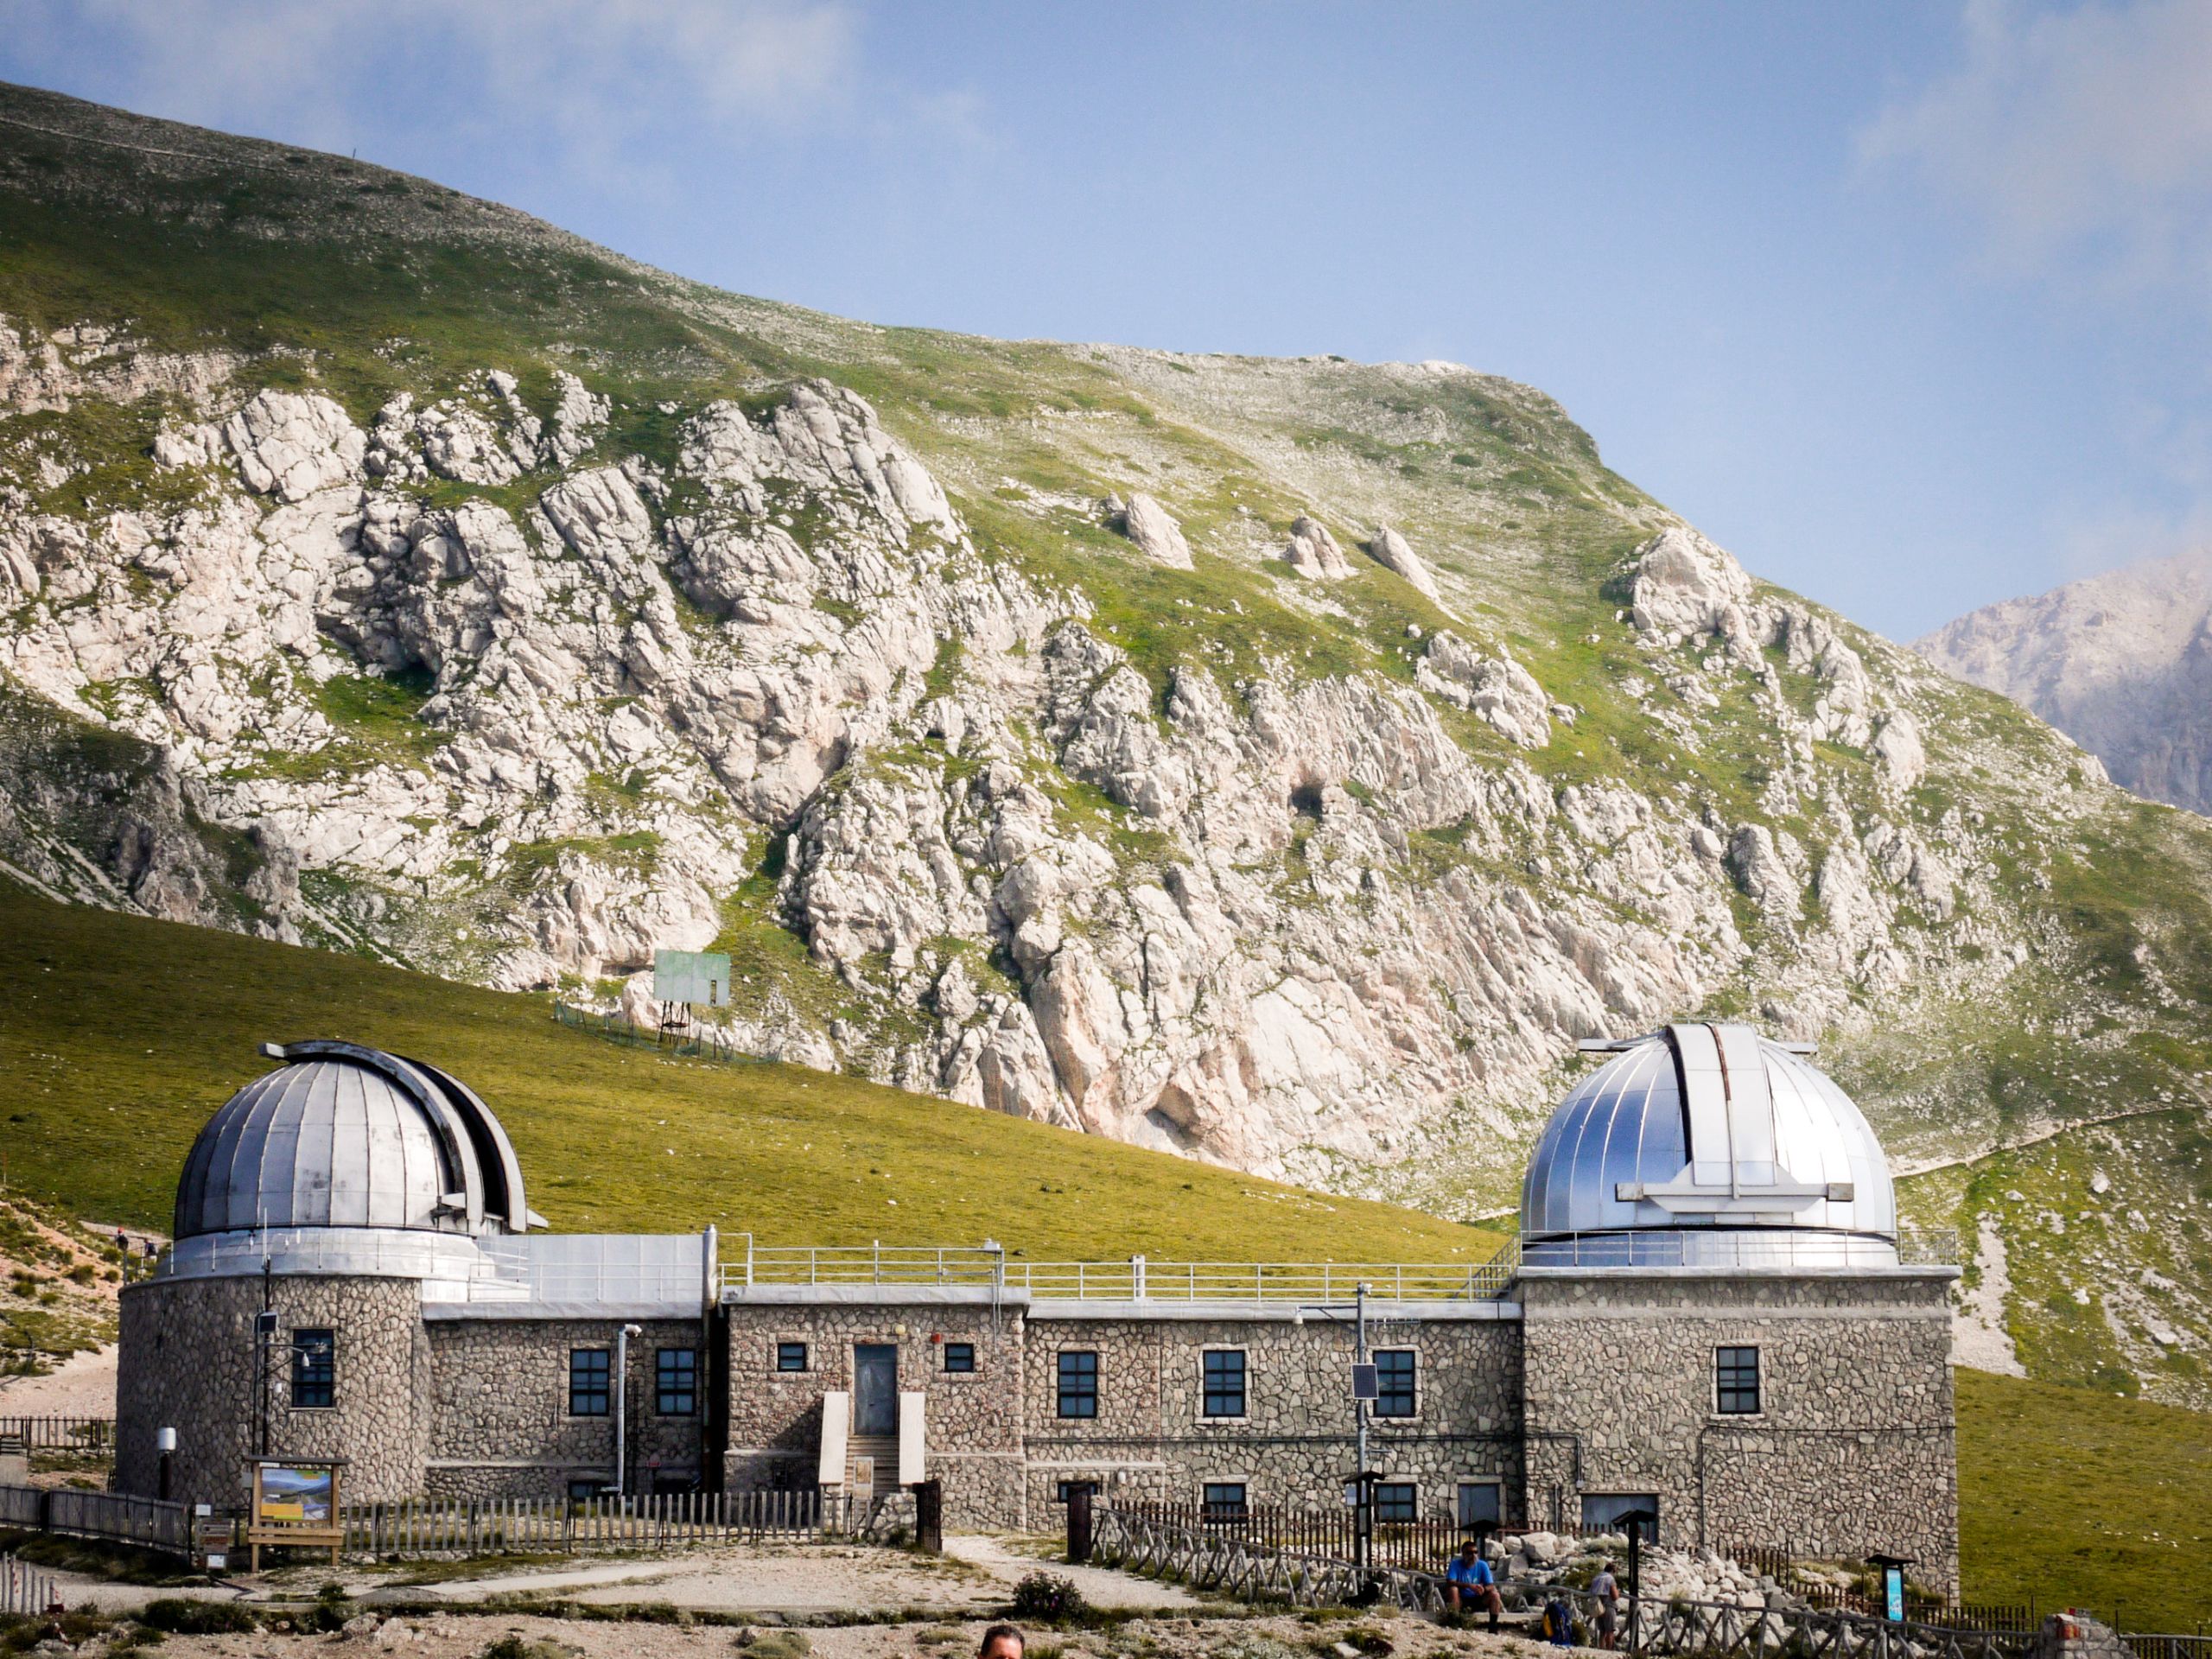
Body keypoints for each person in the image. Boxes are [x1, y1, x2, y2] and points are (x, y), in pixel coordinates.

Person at [1445, 1539, 1502, 1630]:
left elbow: (1491, 1585)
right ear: (1463, 1554)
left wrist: (1483, 1589)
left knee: (1495, 1594)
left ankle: (1493, 1627)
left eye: (1476, 1552)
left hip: (1478, 1598)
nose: (1473, 1555)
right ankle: (1455, 1622)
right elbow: (1450, 1581)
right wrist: (1469, 1586)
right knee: (1453, 1589)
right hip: (1462, 1598)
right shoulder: (1455, 1564)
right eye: (1470, 1553)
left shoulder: (1482, 1565)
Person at [1590, 1560, 1620, 1650]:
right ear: (1613, 1571)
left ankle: (1601, 1649)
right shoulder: (1610, 1579)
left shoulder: (1596, 1578)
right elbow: (1615, 1596)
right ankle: (1609, 1650)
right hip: (1609, 1605)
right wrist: (1618, 1593)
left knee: (1602, 1631)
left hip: (1597, 1605)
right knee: (1610, 1630)